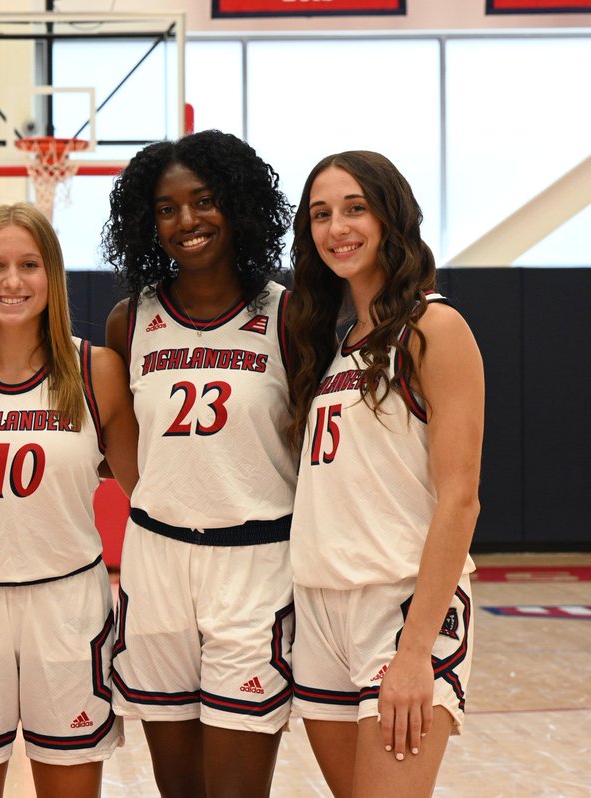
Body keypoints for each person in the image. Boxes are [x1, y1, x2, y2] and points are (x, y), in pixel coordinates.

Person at [100, 130, 297, 797]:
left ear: (236, 204)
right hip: (158, 565)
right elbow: (130, 453)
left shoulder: (288, 315)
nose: (186, 220)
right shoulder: (132, 321)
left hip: (256, 566)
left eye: (204, 200)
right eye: (166, 207)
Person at [0, 202, 139, 798]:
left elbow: (146, 491)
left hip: (67, 604)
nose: (12, 281)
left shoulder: (96, 371)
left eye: (29, 264)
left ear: (53, 276)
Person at [284, 151, 482, 798]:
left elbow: (460, 500)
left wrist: (415, 650)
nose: (336, 227)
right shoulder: (336, 343)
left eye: (354, 208)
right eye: (320, 214)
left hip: (400, 606)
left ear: (390, 216)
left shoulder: (435, 327)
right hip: (319, 610)